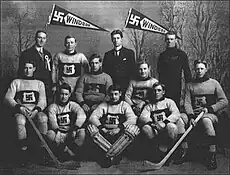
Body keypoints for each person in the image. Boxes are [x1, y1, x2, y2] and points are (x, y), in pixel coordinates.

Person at [184, 59, 228, 170]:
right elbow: (187, 103)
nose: (199, 71)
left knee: (206, 120)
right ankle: (184, 152)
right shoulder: (190, 85)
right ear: (194, 70)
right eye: (197, 69)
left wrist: (211, 108)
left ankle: (212, 154)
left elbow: (224, 101)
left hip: (210, 115)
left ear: (206, 69)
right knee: (181, 119)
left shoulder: (214, 83)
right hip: (195, 115)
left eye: (201, 68)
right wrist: (191, 116)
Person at [4, 60, 47, 162]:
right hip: (21, 111)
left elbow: (43, 101)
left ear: (34, 69)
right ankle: (23, 152)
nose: (28, 70)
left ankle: (42, 151)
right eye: (25, 68)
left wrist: (36, 111)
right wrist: (20, 108)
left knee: (43, 118)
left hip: (34, 111)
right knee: (20, 121)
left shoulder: (39, 83)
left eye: (30, 68)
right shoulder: (16, 82)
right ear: (23, 69)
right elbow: (7, 98)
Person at [87, 85, 139, 167]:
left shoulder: (124, 105)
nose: (113, 97)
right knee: (91, 128)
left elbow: (132, 119)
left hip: (120, 133)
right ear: (108, 94)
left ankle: (109, 156)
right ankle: (115, 155)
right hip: (105, 133)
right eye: (111, 94)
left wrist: (119, 128)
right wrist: (102, 128)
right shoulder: (104, 105)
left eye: (116, 94)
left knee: (133, 129)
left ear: (120, 94)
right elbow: (92, 117)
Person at [139, 82, 188, 165]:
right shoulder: (149, 105)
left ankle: (169, 151)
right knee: (145, 128)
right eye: (154, 91)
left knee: (172, 126)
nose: (156, 92)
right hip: (156, 130)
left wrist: (165, 122)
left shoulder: (169, 102)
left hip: (168, 130)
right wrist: (152, 124)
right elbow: (143, 117)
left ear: (163, 92)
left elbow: (176, 113)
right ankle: (159, 152)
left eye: (159, 90)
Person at [46, 83, 87, 161]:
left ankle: (70, 152)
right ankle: (67, 152)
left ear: (69, 95)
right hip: (59, 133)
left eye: (66, 94)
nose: (63, 97)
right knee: (49, 134)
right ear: (58, 94)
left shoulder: (72, 105)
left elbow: (82, 115)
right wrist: (57, 132)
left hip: (70, 132)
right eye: (61, 94)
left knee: (82, 132)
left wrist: (75, 129)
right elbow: (52, 121)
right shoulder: (53, 107)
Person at [157, 31, 192, 109]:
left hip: (177, 86)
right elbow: (159, 73)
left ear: (176, 40)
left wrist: (189, 87)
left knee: (176, 107)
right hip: (164, 86)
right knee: (164, 107)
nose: (169, 41)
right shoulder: (162, 56)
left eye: (172, 39)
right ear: (165, 40)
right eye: (168, 39)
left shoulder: (182, 54)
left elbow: (187, 72)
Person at [18, 30, 53, 105]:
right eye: (39, 38)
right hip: (33, 87)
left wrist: (51, 86)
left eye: (44, 38)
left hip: (46, 88)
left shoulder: (48, 54)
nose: (41, 40)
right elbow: (21, 72)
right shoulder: (26, 54)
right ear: (35, 38)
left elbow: (50, 72)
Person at [52, 35, 89, 99]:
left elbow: (87, 70)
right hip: (62, 88)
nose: (69, 45)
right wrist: (54, 84)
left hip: (76, 88)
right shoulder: (59, 55)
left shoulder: (80, 56)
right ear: (64, 44)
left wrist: (83, 83)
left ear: (75, 44)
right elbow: (53, 70)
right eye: (67, 42)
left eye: (72, 42)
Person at [102, 29, 136, 96]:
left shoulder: (129, 53)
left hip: (126, 85)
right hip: (112, 86)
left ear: (121, 39)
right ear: (112, 40)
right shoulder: (107, 55)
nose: (116, 40)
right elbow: (105, 71)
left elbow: (133, 70)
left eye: (118, 38)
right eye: (114, 38)